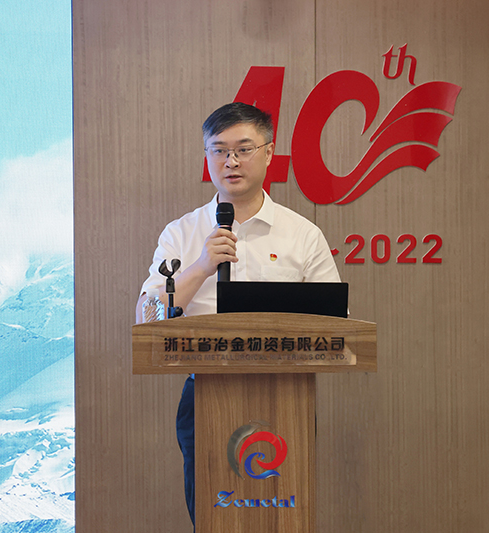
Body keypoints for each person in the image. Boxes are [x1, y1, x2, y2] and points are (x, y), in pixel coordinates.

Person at [135, 102, 340, 528]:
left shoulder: (302, 234)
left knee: (284, 519)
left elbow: (336, 326)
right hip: (205, 395)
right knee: (213, 519)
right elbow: (147, 319)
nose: (230, 161)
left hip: (287, 400)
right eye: (219, 150)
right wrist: (200, 267)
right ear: (207, 156)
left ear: (268, 153)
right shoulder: (182, 233)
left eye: (243, 149)